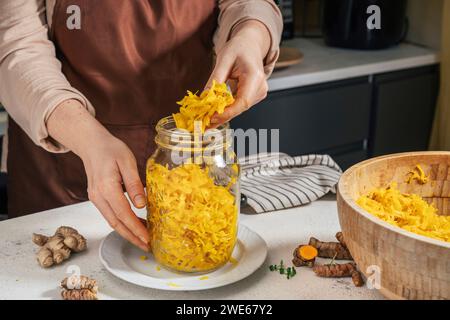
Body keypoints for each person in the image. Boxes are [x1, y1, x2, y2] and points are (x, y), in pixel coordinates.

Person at [0, 0, 282, 251]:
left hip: (190, 154)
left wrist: (251, 35)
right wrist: (87, 139)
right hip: (62, 164)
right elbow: (17, 47)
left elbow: (249, 4)